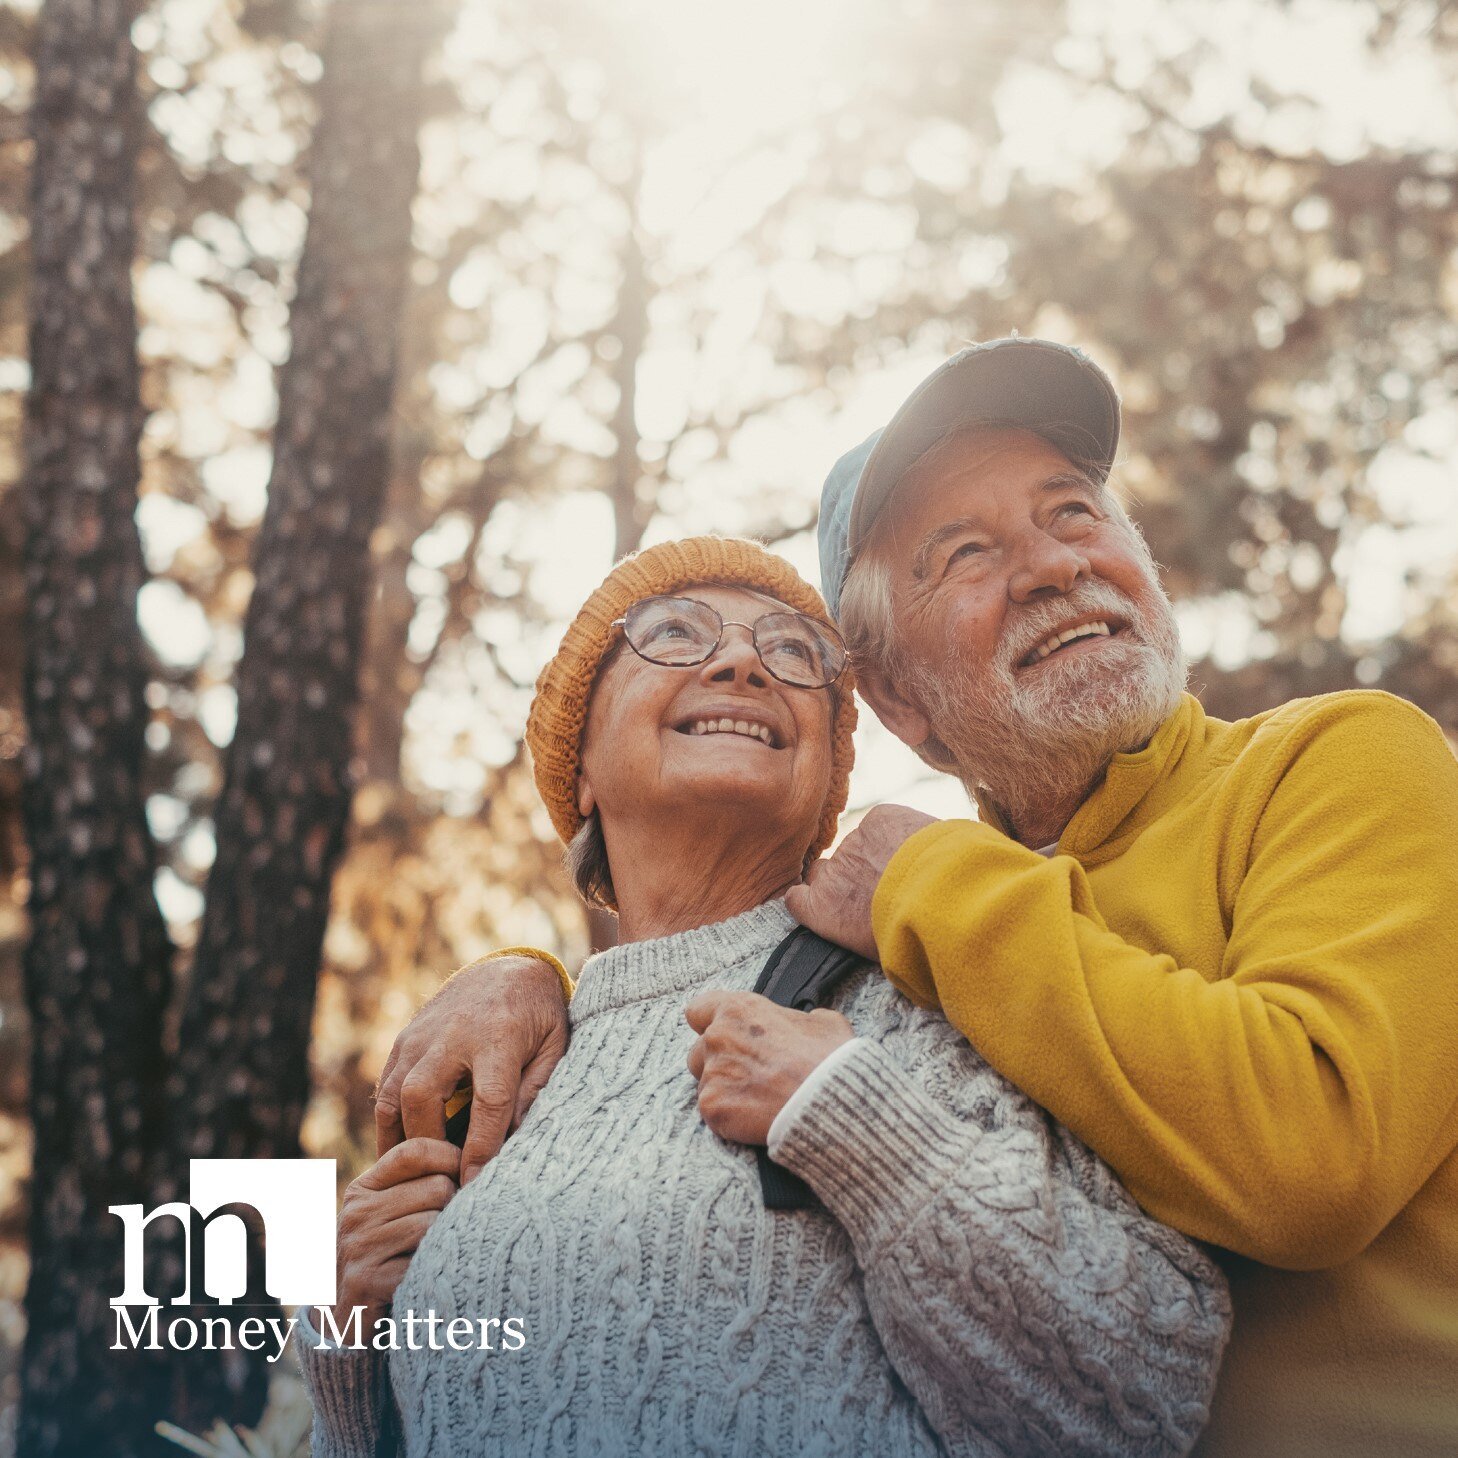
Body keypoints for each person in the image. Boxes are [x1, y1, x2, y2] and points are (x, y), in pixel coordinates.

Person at [381, 340, 1458, 1458]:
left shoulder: (1338, 759)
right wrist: (529, 982)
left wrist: (933, 883)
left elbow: (1316, 1161)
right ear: (898, 699)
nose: (1051, 566)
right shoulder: (905, 952)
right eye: (965, 552)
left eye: (1075, 513)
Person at [299, 536, 1231, 1458]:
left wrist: (864, 1126)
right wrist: (345, 1368)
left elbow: (1146, 1397)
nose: (744, 660)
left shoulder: (925, 1000)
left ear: (828, 774)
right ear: (577, 764)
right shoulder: (492, 1078)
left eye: (794, 654)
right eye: (672, 633)